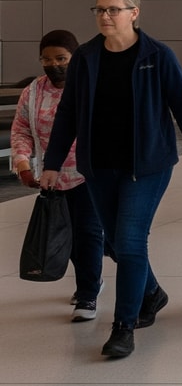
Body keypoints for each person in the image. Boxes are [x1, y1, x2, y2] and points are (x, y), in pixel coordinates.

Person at [41, 0, 182, 359]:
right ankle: (152, 293)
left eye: (113, 10)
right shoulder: (86, 57)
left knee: (131, 240)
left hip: (147, 166)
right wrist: (52, 164)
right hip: (98, 166)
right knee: (116, 243)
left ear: (134, 13)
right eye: (100, 10)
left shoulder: (157, 55)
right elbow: (68, 112)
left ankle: (124, 325)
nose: (105, 16)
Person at [11, 29, 105, 322]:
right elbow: (22, 129)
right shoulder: (34, 91)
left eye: (61, 58)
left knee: (88, 233)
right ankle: (91, 280)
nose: (54, 64)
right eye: (46, 59)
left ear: (75, 57)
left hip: (91, 173)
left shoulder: (91, 85)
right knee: (67, 233)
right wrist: (24, 164)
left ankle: (88, 294)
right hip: (52, 177)